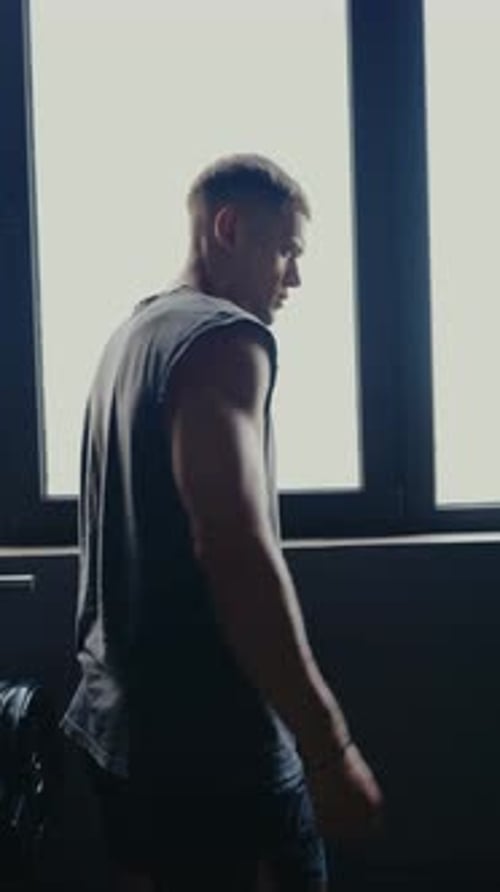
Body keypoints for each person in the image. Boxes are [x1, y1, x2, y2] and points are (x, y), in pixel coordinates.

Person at [62, 154, 383, 892]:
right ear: (228, 228)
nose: (293, 279)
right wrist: (328, 747)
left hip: (123, 736)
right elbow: (233, 544)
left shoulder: (129, 339)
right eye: (287, 250)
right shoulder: (223, 338)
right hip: (215, 755)